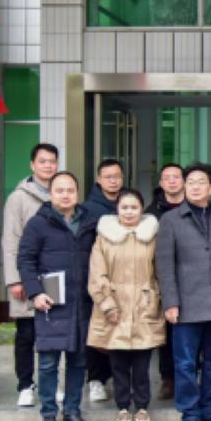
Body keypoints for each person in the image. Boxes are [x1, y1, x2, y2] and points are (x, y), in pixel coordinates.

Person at [156, 162, 211, 421]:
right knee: (185, 363)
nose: (195, 187)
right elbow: (164, 265)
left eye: (201, 182)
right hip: (186, 304)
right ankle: (190, 414)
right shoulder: (170, 220)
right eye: (190, 182)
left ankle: (210, 410)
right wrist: (170, 302)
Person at [17, 171, 99, 421]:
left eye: (70, 190)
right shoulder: (38, 223)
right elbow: (25, 260)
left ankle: (72, 412)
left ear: (77, 193)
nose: (65, 195)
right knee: (48, 363)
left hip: (82, 302)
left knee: (78, 361)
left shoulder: (89, 221)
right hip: (51, 302)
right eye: (59, 190)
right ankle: (49, 414)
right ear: (50, 193)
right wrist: (35, 293)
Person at [86, 189, 165, 421]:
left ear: (142, 210)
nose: (129, 212)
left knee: (142, 364)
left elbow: (161, 272)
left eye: (134, 207)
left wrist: (156, 300)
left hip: (144, 306)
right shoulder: (104, 237)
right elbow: (97, 274)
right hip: (115, 306)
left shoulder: (152, 236)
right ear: (117, 210)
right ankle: (122, 409)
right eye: (124, 207)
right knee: (118, 364)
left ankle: (141, 408)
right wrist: (107, 305)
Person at [2, 142, 58, 408]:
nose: (48, 165)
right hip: (27, 274)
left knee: (54, 331)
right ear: (32, 165)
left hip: (54, 275)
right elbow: (10, 239)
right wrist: (15, 279)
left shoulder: (61, 192)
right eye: (43, 161)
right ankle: (25, 385)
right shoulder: (18, 198)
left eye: (52, 161)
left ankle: (51, 383)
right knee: (26, 334)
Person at [81, 158, 123, 403]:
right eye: (108, 177)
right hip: (99, 278)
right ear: (99, 180)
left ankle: (118, 378)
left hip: (125, 281)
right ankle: (96, 379)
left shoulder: (128, 203)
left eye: (117, 176)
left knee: (119, 331)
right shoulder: (89, 208)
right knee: (98, 330)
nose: (113, 181)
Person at [144, 162, 185, 401]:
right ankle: (168, 378)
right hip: (162, 279)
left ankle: (190, 376)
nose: (171, 181)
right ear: (161, 183)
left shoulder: (195, 206)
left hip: (191, 279)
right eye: (167, 177)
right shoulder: (151, 213)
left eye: (176, 177)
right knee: (167, 333)